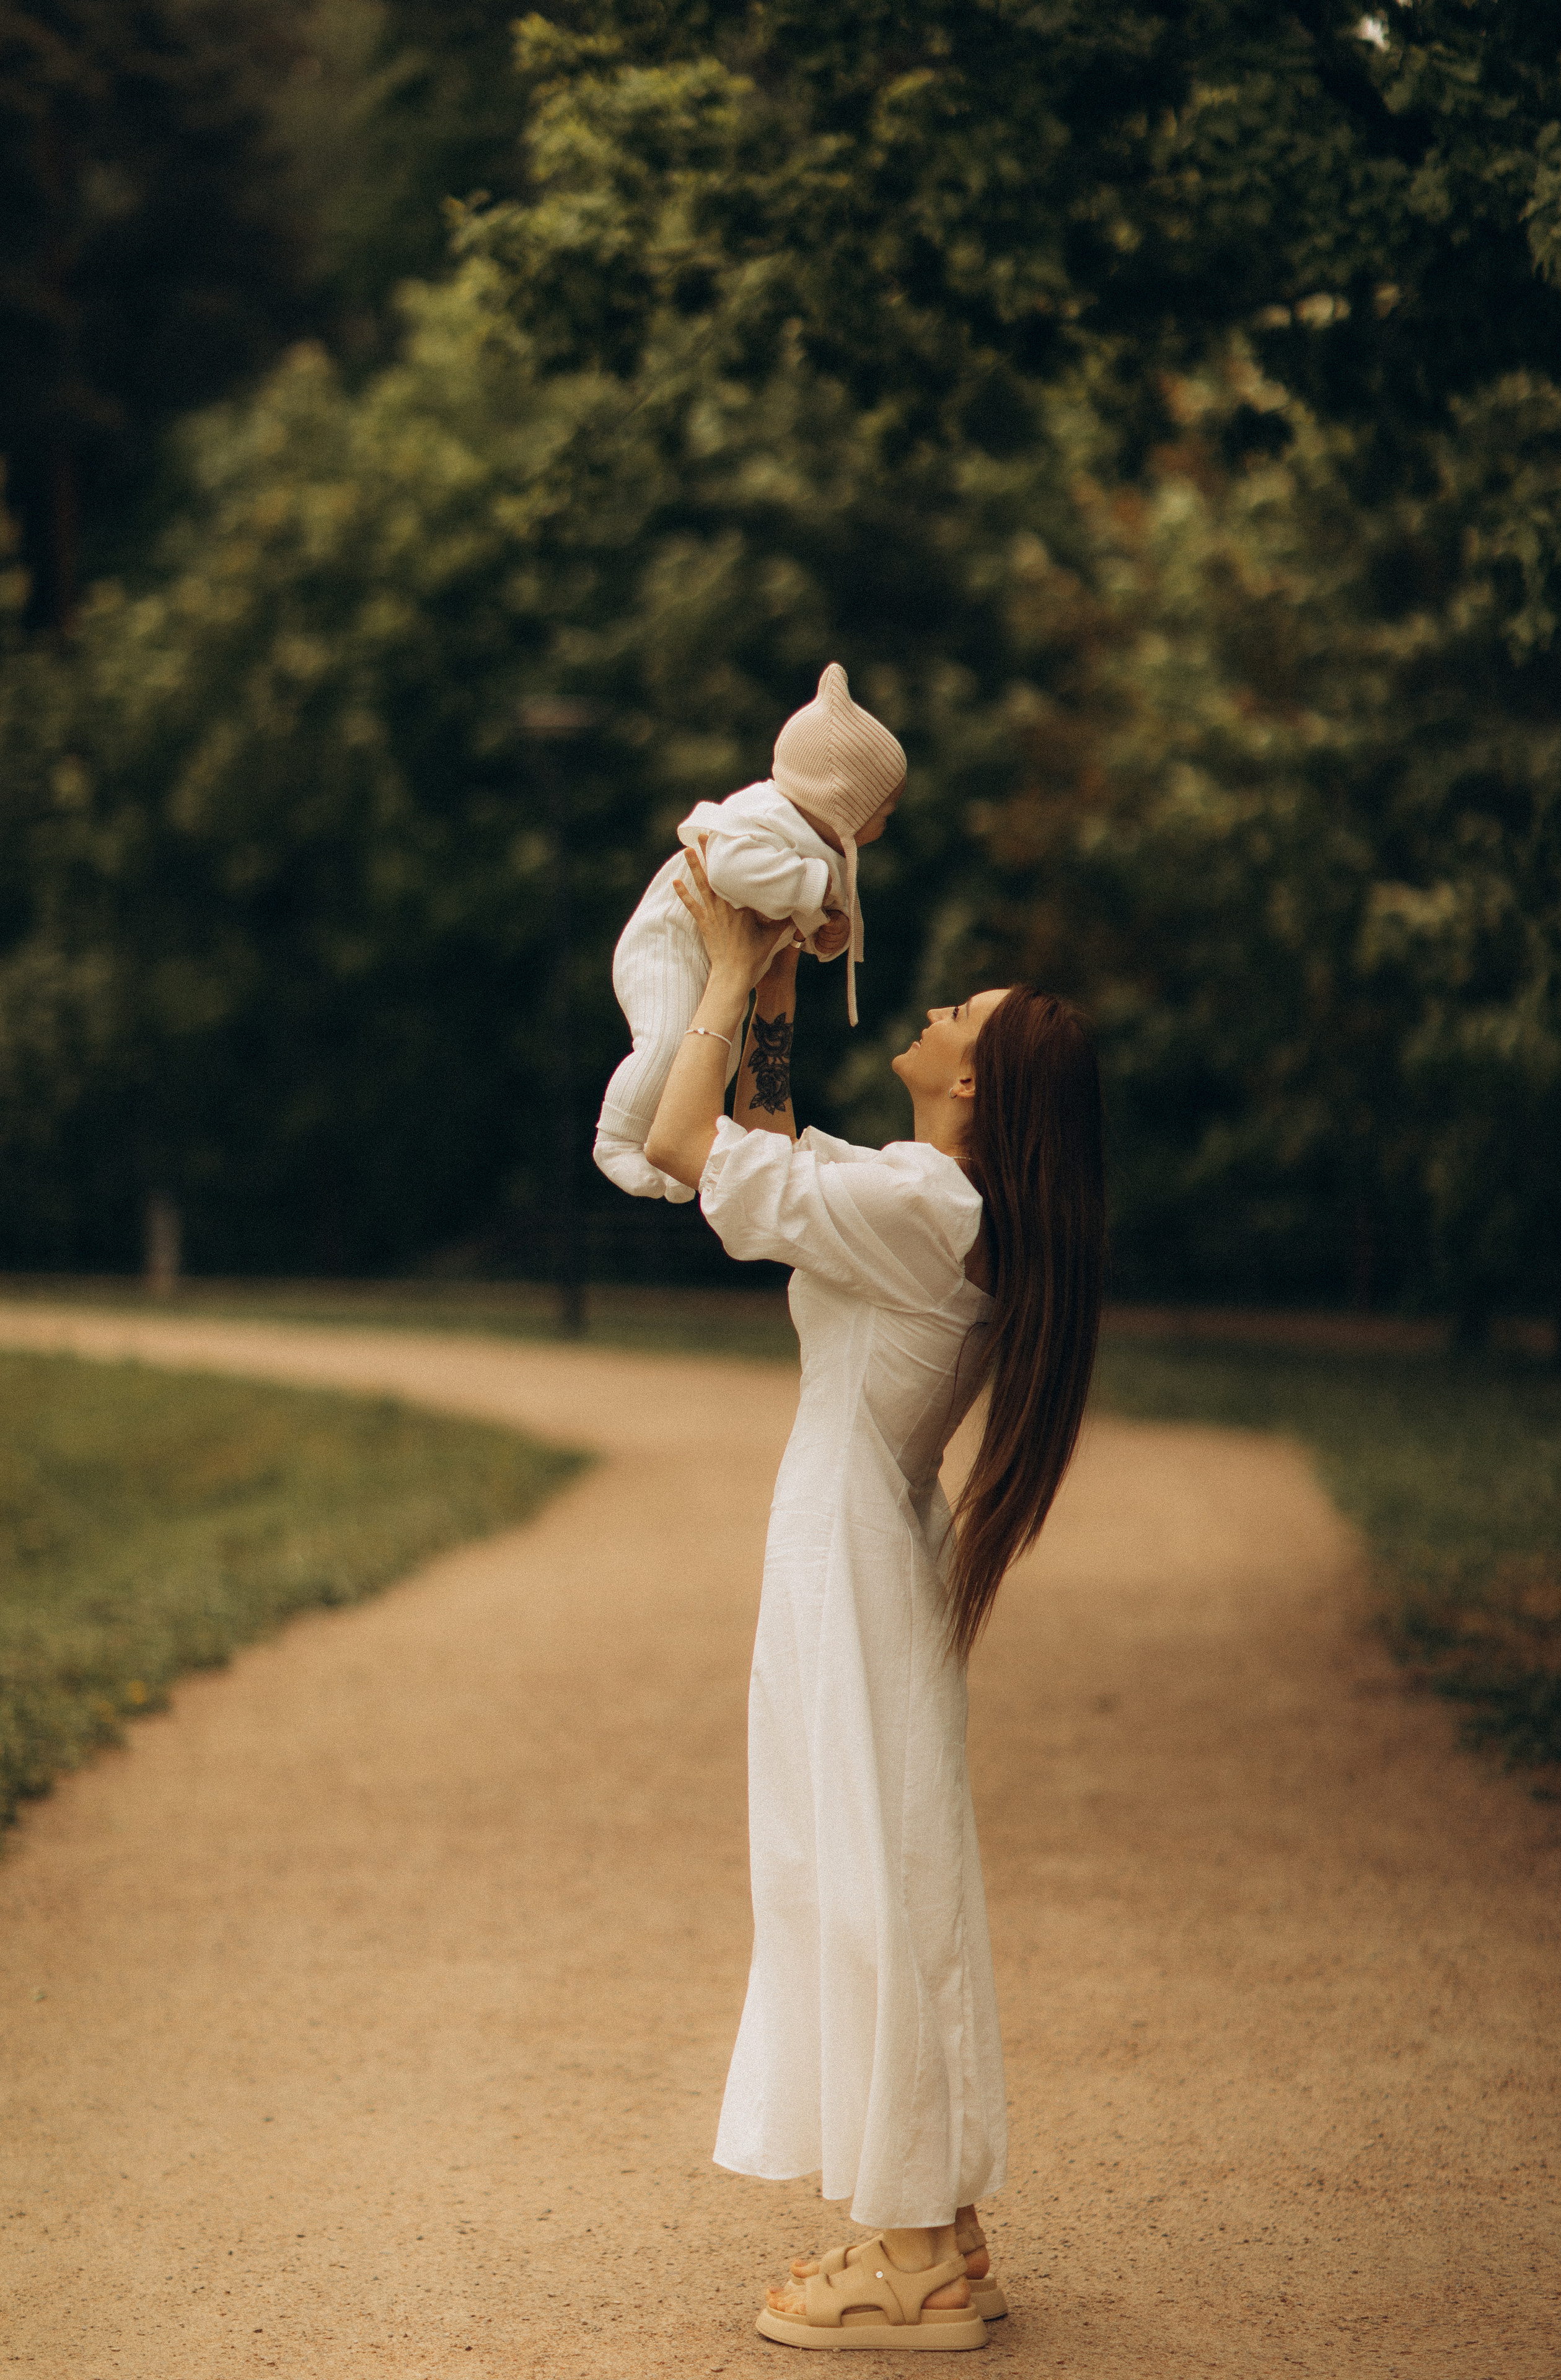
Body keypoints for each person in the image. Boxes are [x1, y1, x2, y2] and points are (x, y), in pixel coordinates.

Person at [645, 845, 1106, 2351]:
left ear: (971, 1084)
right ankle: (935, 2227)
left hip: (846, 1551)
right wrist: (778, 969)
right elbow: (768, 1142)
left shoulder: (925, 1207)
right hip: (860, 1542)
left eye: (958, 1014)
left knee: (857, 1884)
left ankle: (908, 2260)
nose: (931, 1008)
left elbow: (685, 1144)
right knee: (881, 1875)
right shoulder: (934, 1204)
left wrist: (721, 971)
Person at [593, 663, 904, 1202]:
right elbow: (728, 869)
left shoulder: (823, 845)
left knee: (717, 1057)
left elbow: (788, 912)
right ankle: (617, 1138)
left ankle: (677, 1151)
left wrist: (824, 934)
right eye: (884, 810)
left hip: (718, 960)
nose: (887, 823)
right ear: (842, 803)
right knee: (667, 1041)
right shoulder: (762, 814)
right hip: (667, 946)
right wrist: (815, 890)